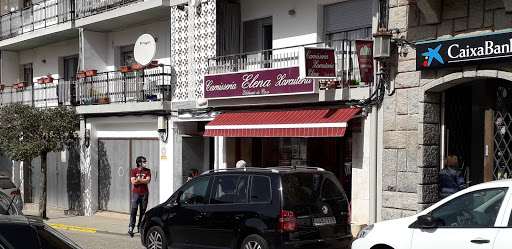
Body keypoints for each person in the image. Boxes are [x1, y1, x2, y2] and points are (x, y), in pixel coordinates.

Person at [128, 156, 151, 237]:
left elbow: (148, 180)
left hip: (145, 193)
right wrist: (142, 180)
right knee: (134, 209)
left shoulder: (147, 170)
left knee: (143, 211)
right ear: (138, 162)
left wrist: (139, 180)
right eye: (143, 161)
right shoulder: (134, 171)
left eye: (145, 161)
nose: (144, 162)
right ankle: (131, 227)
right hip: (136, 193)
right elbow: (133, 182)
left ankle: (140, 226)